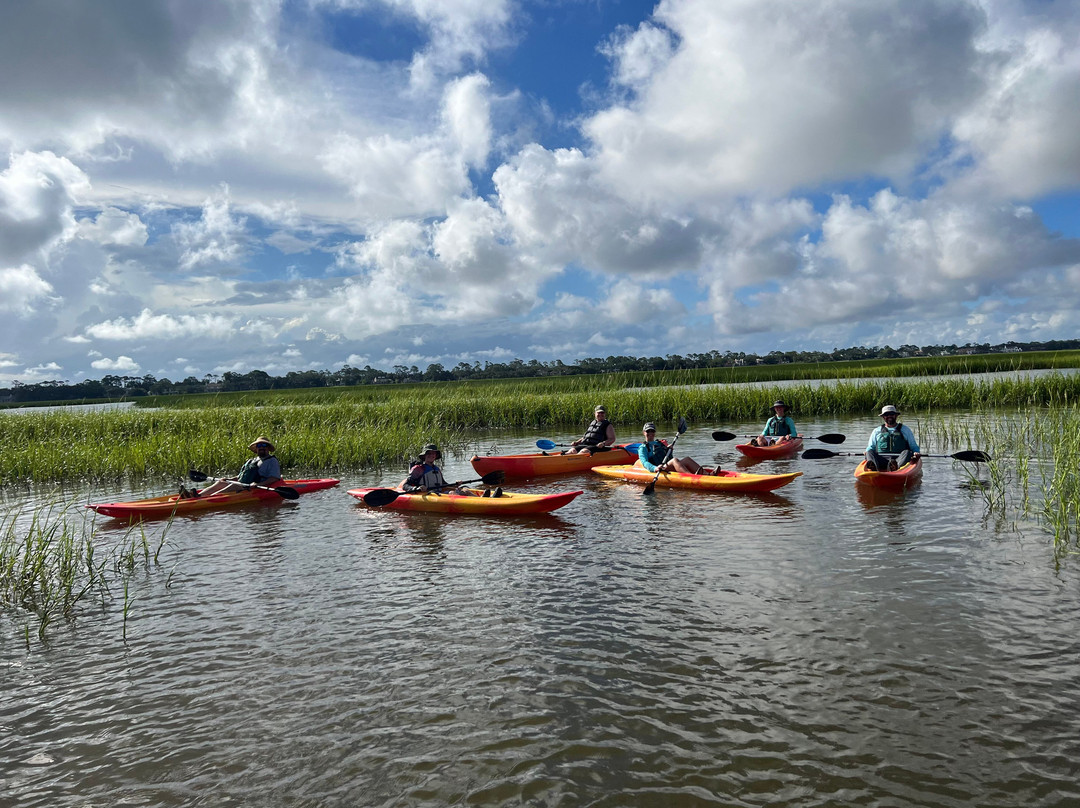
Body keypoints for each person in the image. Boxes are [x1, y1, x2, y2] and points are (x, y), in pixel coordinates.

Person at [185, 437, 283, 497]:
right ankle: (199, 495)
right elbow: (243, 476)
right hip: (244, 484)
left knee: (235, 485)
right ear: (256, 448)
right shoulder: (253, 460)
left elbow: (274, 478)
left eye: (264, 445)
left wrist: (257, 484)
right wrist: (229, 479)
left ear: (268, 448)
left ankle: (206, 499)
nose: (261, 447)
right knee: (221, 483)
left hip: (254, 487)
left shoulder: (272, 461)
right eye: (259, 445)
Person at [403, 444, 496, 495]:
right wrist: (416, 488)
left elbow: (443, 484)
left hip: (439, 493)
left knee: (464, 489)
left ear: (435, 456)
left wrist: (456, 485)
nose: (431, 455)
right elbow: (406, 485)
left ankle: (482, 499)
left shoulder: (436, 469)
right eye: (429, 454)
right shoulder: (418, 469)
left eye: (433, 454)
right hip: (428, 494)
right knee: (452, 492)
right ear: (424, 456)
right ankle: (480, 502)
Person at [637, 422, 717, 475]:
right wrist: (655, 468)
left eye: (652, 431)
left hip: (666, 465)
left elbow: (669, 457)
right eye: (648, 431)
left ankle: (708, 474)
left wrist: (669, 450)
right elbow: (644, 462)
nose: (650, 433)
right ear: (644, 433)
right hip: (659, 468)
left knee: (687, 459)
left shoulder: (659, 443)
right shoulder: (643, 447)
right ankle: (691, 477)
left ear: (654, 432)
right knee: (675, 460)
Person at [865, 405, 921, 471]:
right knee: (869, 452)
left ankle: (895, 467)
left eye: (891, 414)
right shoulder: (877, 431)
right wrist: (867, 452)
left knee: (907, 452)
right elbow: (871, 447)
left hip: (899, 459)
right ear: (883, 417)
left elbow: (913, 446)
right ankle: (873, 467)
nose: (889, 416)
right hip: (881, 459)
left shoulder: (905, 430)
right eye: (886, 414)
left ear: (896, 416)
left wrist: (916, 452)